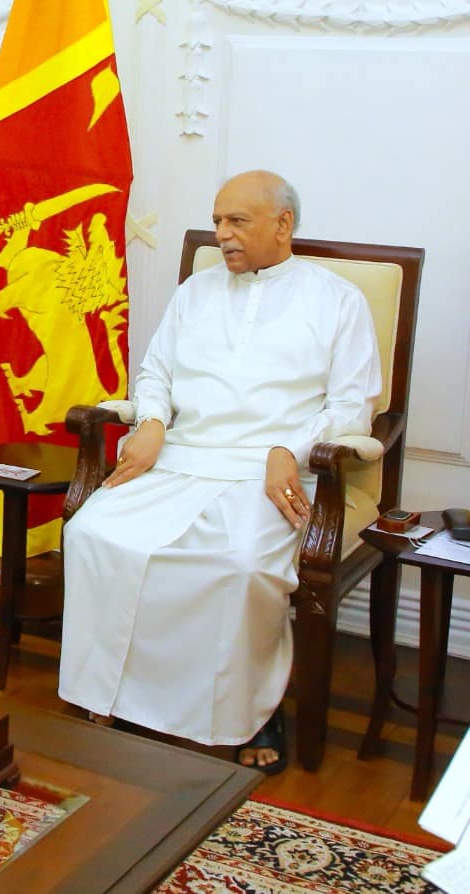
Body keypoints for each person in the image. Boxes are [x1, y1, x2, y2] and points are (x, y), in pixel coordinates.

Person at [57, 170, 381, 775]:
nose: (222, 235)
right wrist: (151, 422)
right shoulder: (196, 292)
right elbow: (155, 373)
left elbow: (351, 404)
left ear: (283, 225)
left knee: (239, 566)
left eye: (238, 222)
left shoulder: (337, 300)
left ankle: (251, 712)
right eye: (218, 221)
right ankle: (116, 696)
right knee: (92, 533)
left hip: (274, 473)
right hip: (181, 458)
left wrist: (291, 446)